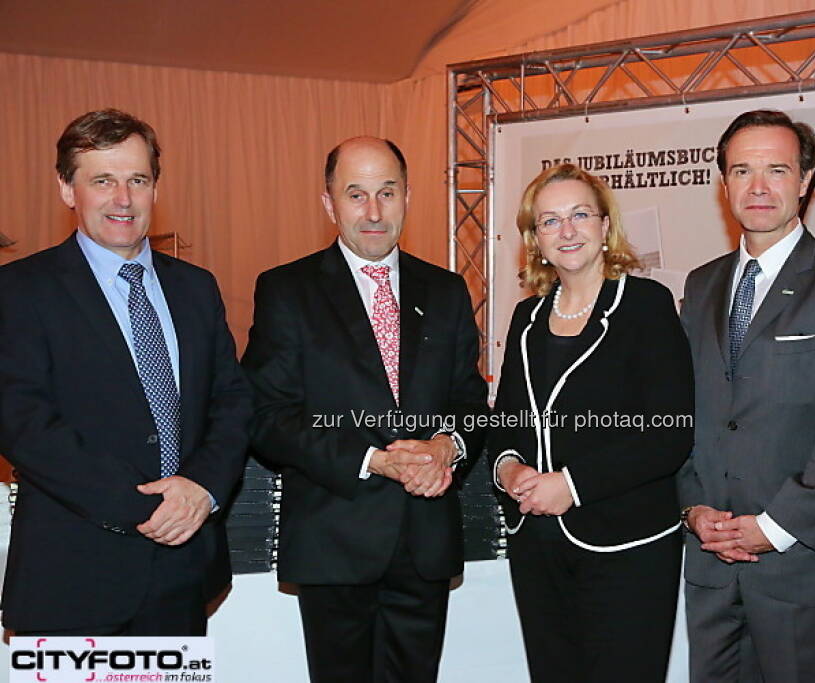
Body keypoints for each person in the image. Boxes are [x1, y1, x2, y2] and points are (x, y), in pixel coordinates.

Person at [242, 136, 488, 683]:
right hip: (335, 543)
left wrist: (447, 447)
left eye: (387, 192)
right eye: (356, 195)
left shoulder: (446, 291)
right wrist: (372, 459)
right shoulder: (287, 290)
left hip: (425, 544)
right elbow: (266, 415)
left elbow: (471, 403)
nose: (374, 212)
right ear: (329, 203)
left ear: (407, 197)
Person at [0, 109, 252, 636]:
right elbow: (22, 421)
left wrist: (201, 489)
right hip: (72, 577)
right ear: (68, 190)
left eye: (137, 180)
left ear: (155, 188)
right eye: (102, 181)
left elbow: (232, 401)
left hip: (185, 573)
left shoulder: (196, 287)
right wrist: (144, 507)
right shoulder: (20, 290)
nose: (123, 199)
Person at [678, 109, 815, 682]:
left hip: (802, 565)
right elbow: (685, 415)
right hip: (711, 567)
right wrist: (694, 510)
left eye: (775, 170)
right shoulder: (700, 286)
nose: (757, 187)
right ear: (723, 184)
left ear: (805, 181)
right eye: (741, 170)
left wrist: (774, 526)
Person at [488, 163, 694, 682]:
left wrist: (572, 486)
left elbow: (669, 433)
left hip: (627, 545)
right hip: (537, 545)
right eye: (550, 221)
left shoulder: (646, 305)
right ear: (535, 239)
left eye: (580, 215)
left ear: (606, 227)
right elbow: (507, 422)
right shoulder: (525, 319)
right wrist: (509, 470)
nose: (568, 230)